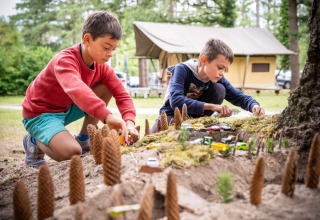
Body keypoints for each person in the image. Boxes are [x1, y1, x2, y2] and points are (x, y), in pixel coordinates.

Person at [22, 11, 139, 168]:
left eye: (114, 49)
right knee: (72, 152)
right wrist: (108, 118)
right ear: (88, 39)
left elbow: (123, 96)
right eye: (106, 47)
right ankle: (33, 140)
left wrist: (129, 123)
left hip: (67, 107)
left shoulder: (101, 66)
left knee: (106, 87)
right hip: (40, 113)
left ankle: (84, 139)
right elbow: (79, 92)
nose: (110, 54)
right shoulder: (65, 61)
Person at [150, 38, 265, 133]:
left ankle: (200, 123)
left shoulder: (217, 78)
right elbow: (175, 100)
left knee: (220, 89)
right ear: (204, 60)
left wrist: (253, 106)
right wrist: (213, 107)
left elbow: (237, 96)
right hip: (173, 114)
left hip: (197, 117)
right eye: (220, 67)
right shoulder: (183, 70)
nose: (222, 73)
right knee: (152, 138)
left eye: (225, 69)